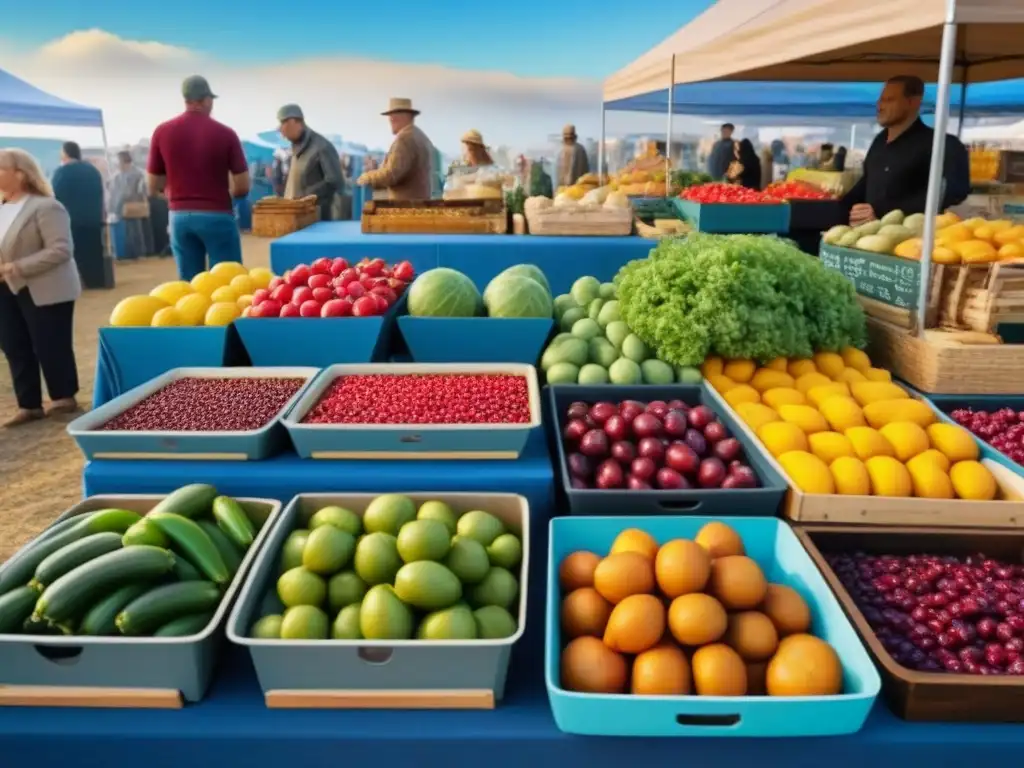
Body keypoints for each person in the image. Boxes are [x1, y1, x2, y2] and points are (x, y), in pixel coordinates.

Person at [0, 149, 81, 427]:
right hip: (6, 289)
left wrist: (16, 267)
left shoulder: (46, 207)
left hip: (45, 287)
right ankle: (29, 404)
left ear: (20, 174)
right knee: (14, 345)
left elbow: (61, 250)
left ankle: (63, 397)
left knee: (50, 343)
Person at [147, 75, 249, 280]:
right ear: (207, 100)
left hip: (180, 216)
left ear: (185, 100)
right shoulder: (226, 134)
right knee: (227, 282)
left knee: (190, 284)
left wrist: (173, 195)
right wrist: (229, 196)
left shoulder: (162, 131)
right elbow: (243, 185)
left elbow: (152, 185)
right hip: (218, 214)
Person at [842, 75, 970, 226]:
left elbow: (952, 195)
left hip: (915, 241)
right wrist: (835, 202)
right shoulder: (879, 141)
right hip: (871, 237)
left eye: (889, 100)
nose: (880, 106)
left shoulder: (943, 144)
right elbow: (867, 183)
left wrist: (882, 213)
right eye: (880, 100)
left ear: (913, 102)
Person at [356, 98, 436, 200]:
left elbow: (390, 175)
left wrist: (366, 177)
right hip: (418, 204)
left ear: (404, 117)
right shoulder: (420, 136)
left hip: (404, 208)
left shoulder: (404, 140)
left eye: (393, 116)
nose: (390, 119)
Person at [51, 141, 106, 289]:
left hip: (72, 220)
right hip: (93, 219)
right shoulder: (92, 171)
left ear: (65, 153)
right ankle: (97, 281)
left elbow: (55, 197)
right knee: (94, 251)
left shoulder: (61, 172)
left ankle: (79, 284)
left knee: (76, 254)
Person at [276, 104, 344, 221]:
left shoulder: (322, 147)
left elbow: (335, 181)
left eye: (283, 123)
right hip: (295, 218)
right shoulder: (296, 149)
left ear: (294, 122)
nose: (280, 130)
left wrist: (305, 197)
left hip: (317, 222)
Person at [110, 151, 152, 260]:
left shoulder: (137, 174)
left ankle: (139, 253)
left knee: (135, 231)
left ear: (124, 161)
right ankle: (129, 254)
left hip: (133, 206)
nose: (117, 164)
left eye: (118, 161)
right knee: (128, 232)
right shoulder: (117, 176)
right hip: (122, 208)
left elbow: (137, 191)